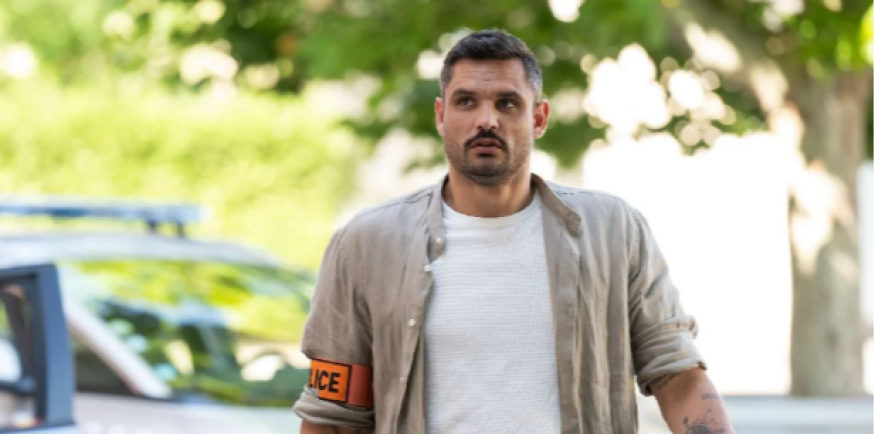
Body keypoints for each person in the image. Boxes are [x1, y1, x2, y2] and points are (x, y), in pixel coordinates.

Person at [294, 29, 732, 434]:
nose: (487, 120)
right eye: (466, 102)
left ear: (538, 118)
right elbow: (332, 414)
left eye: (507, 103)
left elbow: (678, 376)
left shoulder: (613, 231)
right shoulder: (367, 244)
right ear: (441, 115)